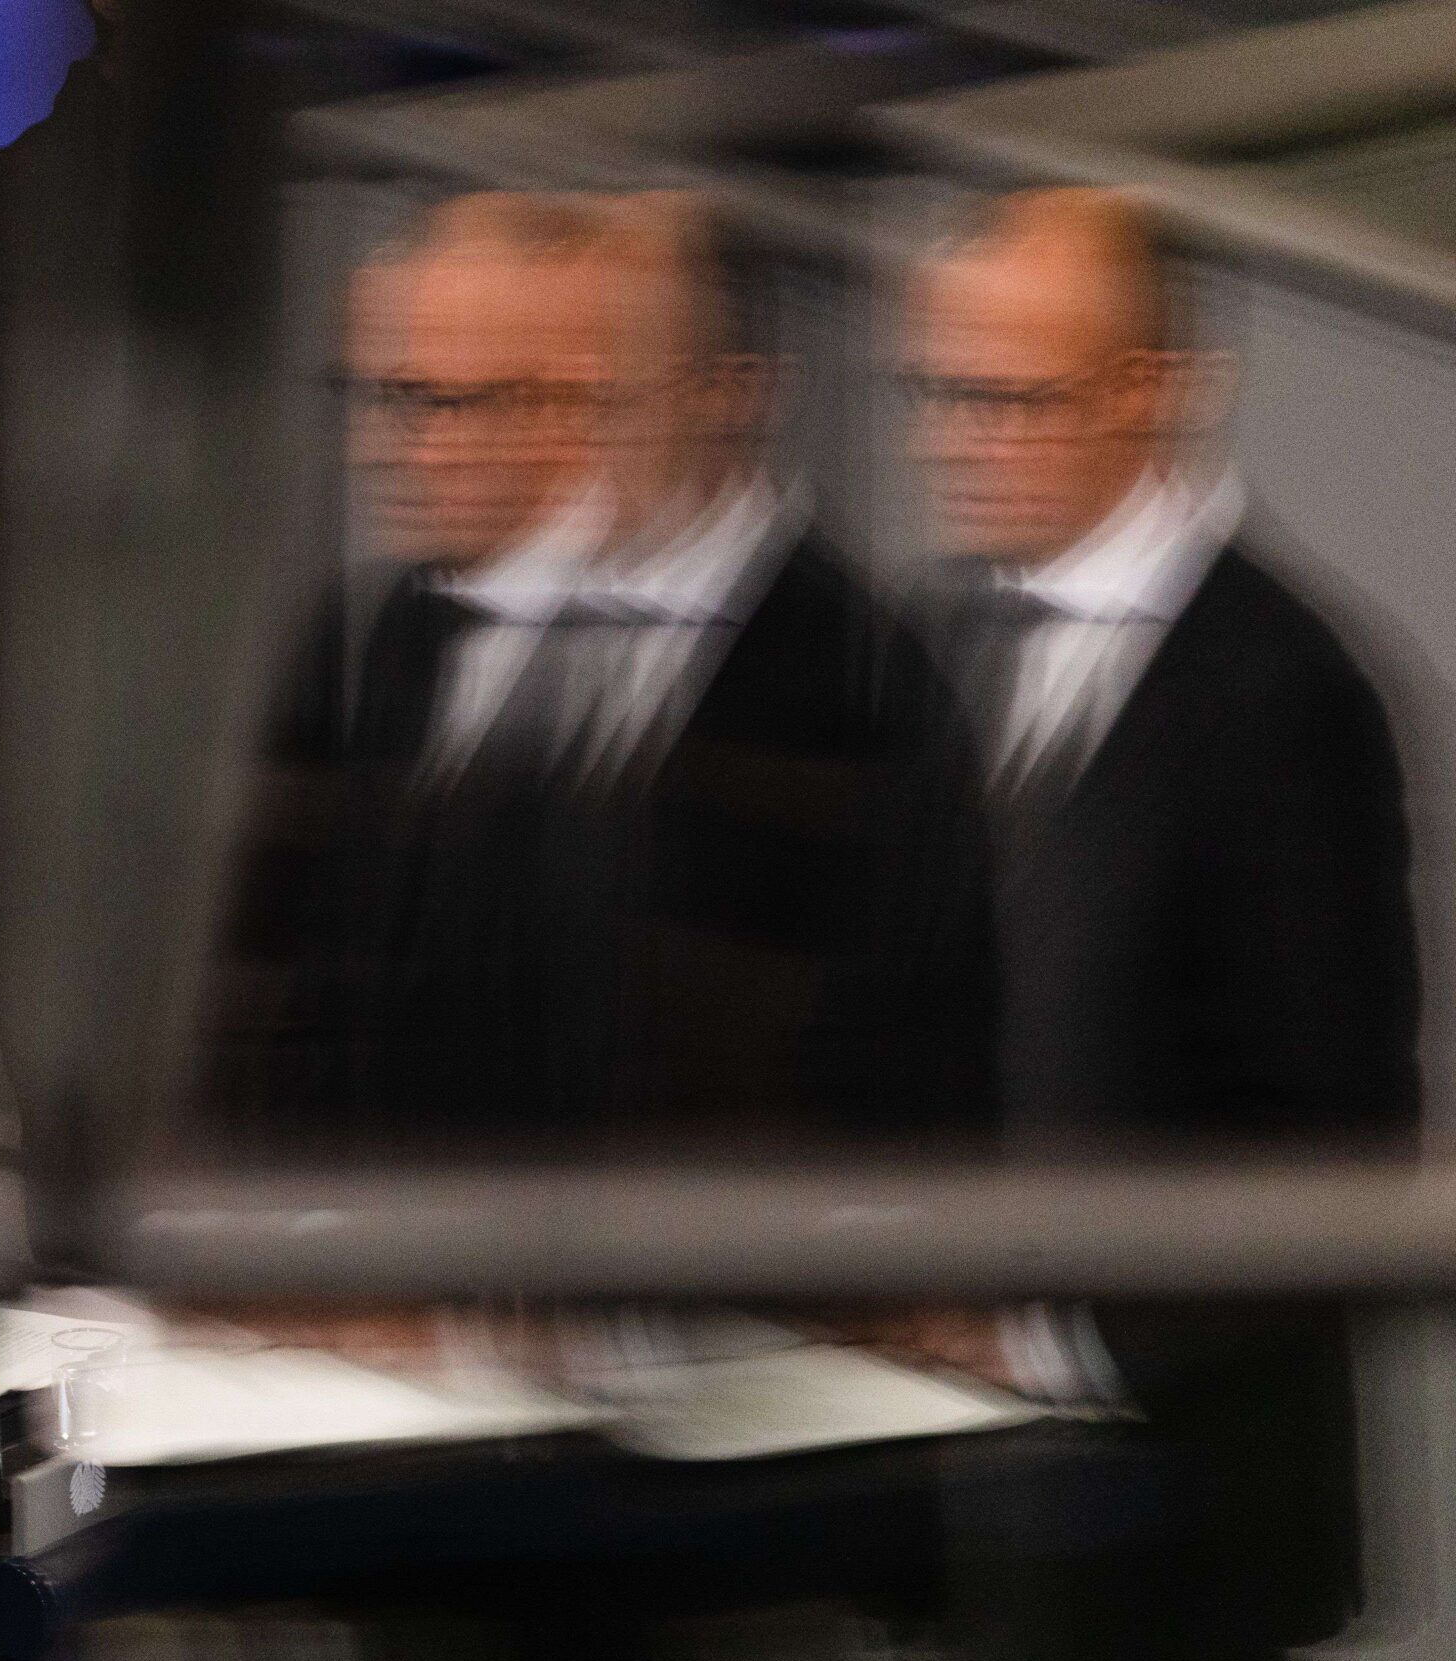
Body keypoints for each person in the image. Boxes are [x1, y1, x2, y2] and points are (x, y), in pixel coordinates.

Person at [905, 186, 1420, 1661]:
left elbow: (1336, 1144)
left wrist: (1048, 1339)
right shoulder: (942, 645)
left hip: (1178, 1531)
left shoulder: (1287, 688)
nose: (953, 437)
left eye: (1004, 396)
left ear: (1155, 387)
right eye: (937, 391)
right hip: (966, 1501)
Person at [209, 189, 989, 1146]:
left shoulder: (870, 695)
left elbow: (888, 1096)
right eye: (405, 396)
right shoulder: (389, 636)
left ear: (730, 391)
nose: (413, 448)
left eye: (581, 391)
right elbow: (284, 996)